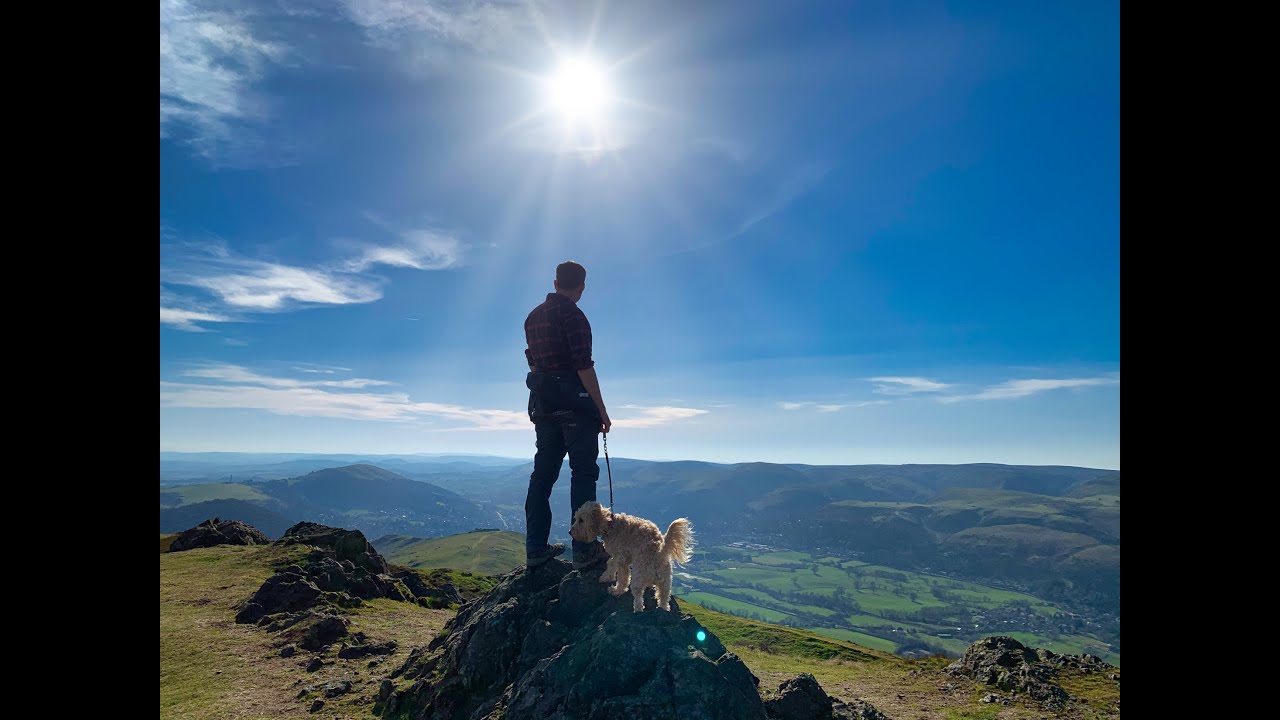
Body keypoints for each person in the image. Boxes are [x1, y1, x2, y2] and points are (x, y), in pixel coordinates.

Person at [523, 260, 612, 570]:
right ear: (581, 287)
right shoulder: (574, 317)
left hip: (545, 408)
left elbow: (534, 364)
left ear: (555, 282)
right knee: (583, 474)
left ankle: (535, 548)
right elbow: (583, 366)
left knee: (542, 478)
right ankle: (585, 550)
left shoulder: (532, 318)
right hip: (575, 408)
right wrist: (601, 409)